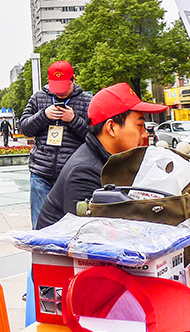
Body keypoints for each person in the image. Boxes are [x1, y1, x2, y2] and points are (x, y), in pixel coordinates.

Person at [36, 83, 165, 228]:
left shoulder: (114, 160)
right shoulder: (84, 172)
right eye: (139, 125)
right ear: (111, 127)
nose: (145, 134)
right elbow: (87, 237)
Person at [18, 60, 93, 227]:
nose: (60, 93)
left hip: (72, 174)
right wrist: (44, 115)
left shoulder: (87, 101)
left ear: (73, 80)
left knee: (71, 225)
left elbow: (93, 137)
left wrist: (73, 120)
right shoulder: (39, 97)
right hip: (41, 173)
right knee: (40, 225)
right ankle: (41, 253)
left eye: (64, 87)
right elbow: (25, 128)